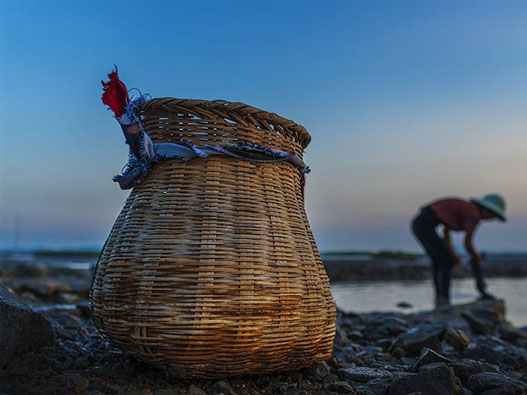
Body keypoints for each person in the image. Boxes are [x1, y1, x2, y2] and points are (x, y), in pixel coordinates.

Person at [411, 194, 506, 307]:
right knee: (446, 261)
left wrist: (454, 255)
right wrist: (476, 256)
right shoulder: (473, 214)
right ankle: (444, 300)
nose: (490, 220)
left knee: (440, 261)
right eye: (492, 216)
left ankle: (439, 299)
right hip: (424, 224)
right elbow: (468, 243)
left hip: (419, 223)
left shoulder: (465, 209)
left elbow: (446, 234)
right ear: (485, 210)